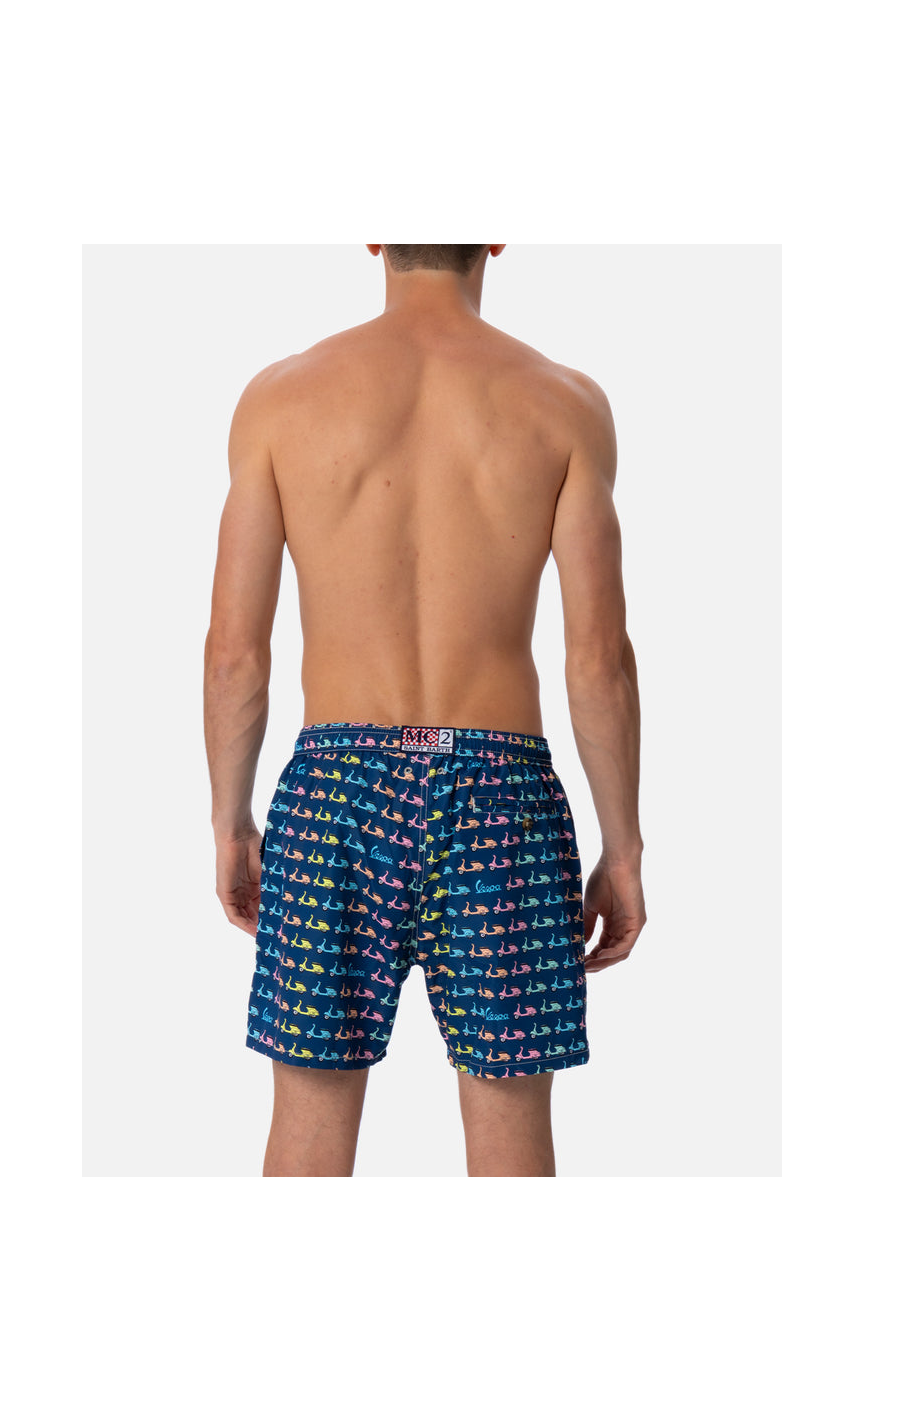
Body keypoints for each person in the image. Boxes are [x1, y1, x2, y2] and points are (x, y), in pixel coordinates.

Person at [203, 244, 645, 1177]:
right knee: (512, 1142)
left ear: (373, 237)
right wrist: (624, 849)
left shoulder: (280, 399)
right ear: (494, 235)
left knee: (307, 1132)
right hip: (500, 802)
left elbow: (236, 654)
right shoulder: (564, 403)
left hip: (333, 799)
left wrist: (230, 822)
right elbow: (598, 662)